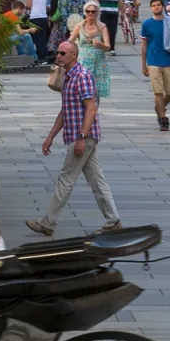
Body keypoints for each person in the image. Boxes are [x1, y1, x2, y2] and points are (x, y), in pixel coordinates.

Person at [28, 40, 121, 237]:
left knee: (66, 179)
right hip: (79, 136)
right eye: (58, 53)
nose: (58, 56)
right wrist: (50, 137)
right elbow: (65, 111)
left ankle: (48, 223)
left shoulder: (82, 77)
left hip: (83, 137)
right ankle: (113, 220)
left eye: (63, 53)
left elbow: (91, 108)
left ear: (74, 56)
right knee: (97, 180)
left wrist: (82, 137)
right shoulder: (68, 77)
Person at [139, 0, 170, 131]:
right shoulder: (146, 24)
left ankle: (159, 107)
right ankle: (163, 118)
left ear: (162, 6)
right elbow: (144, 45)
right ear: (151, 8)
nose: (156, 7)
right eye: (154, 5)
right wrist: (144, 64)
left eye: (158, 5)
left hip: (168, 60)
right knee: (158, 92)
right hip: (153, 61)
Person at [73, 1, 113, 98]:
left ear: (97, 12)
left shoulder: (102, 27)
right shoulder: (79, 26)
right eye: (88, 11)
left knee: (95, 91)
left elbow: (108, 47)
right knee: (82, 89)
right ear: (84, 12)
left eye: (93, 11)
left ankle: (94, 110)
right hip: (82, 62)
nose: (90, 13)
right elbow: (69, 42)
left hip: (98, 63)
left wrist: (101, 45)